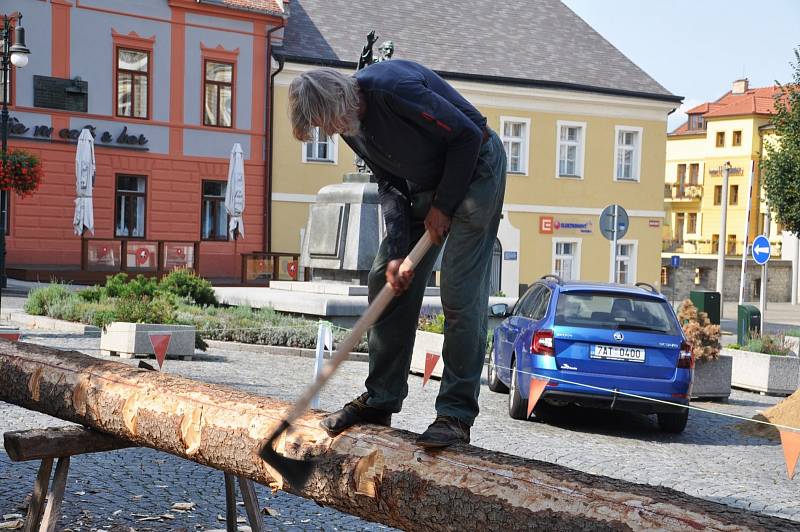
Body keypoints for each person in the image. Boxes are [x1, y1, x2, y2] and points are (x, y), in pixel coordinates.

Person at [288, 60, 506, 448]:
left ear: (338, 100)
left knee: (459, 291)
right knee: (383, 279)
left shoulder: (392, 89)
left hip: (476, 170)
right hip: (426, 183)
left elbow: (467, 137)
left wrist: (444, 204)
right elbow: (389, 181)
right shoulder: (350, 127)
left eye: (326, 122)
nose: (330, 132)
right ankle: (381, 398)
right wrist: (398, 250)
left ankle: (455, 415)